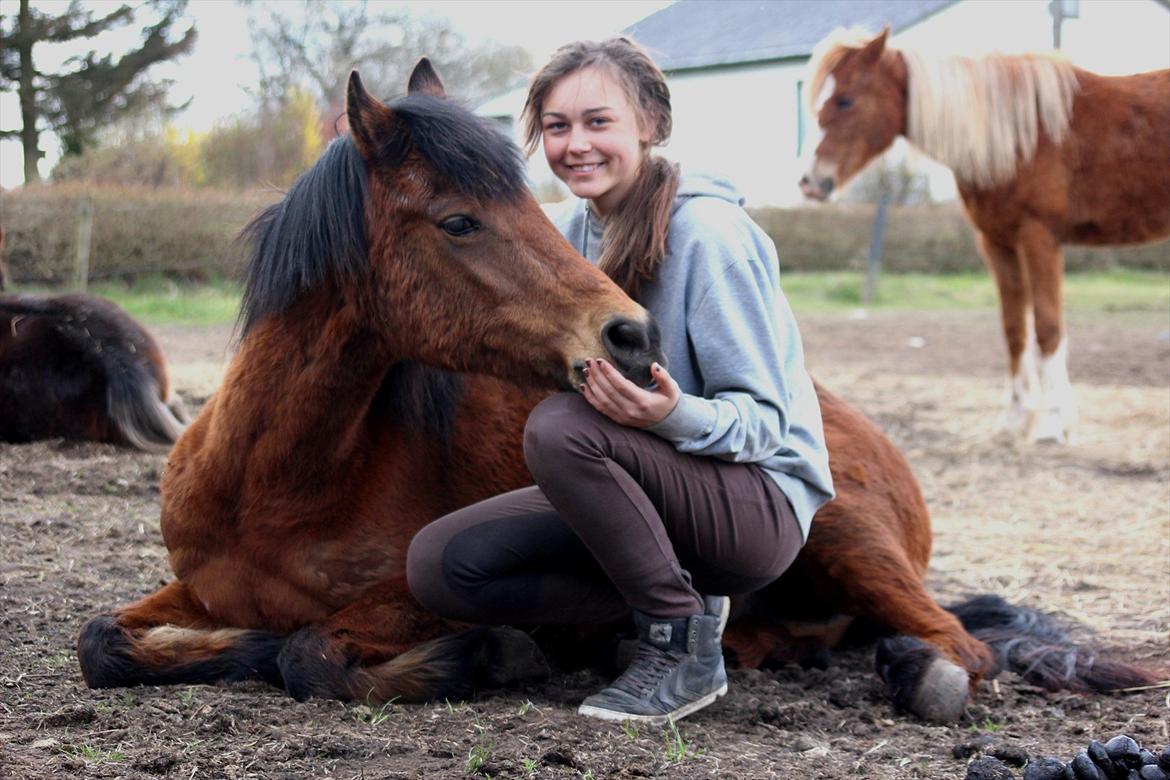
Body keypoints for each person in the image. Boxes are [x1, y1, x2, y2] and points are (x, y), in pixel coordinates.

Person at [406, 37, 834, 725]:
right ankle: (679, 595)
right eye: (556, 126)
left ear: (651, 125)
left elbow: (765, 424)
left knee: (562, 428)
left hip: (757, 507)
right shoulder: (566, 233)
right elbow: (461, 240)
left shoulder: (711, 236)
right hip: (649, 489)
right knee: (444, 566)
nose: (576, 143)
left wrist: (666, 415)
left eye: (598, 121)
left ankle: (680, 646)